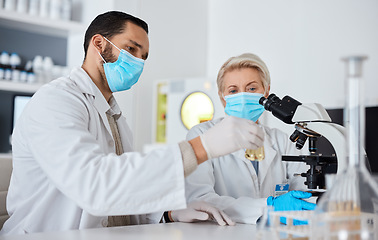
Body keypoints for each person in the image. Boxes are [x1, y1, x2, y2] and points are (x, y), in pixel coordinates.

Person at [0, 12, 266, 235]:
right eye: (131, 49)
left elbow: (121, 189)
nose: (138, 62)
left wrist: (169, 212)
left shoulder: (113, 115)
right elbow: (95, 186)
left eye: (143, 56)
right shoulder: (56, 101)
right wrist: (201, 147)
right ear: (99, 44)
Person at [184, 53, 316, 224]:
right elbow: (202, 201)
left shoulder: (283, 141)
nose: (243, 96)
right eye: (233, 90)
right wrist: (268, 208)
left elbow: (304, 192)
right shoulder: (200, 135)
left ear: (267, 91)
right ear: (222, 97)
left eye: (252, 89)